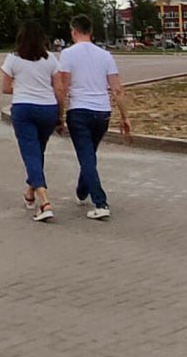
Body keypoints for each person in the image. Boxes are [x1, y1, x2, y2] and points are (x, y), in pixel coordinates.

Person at [57, 14, 132, 220]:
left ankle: (100, 202)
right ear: (91, 31)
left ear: (73, 31)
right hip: (102, 111)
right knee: (89, 154)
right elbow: (117, 89)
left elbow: (63, 88)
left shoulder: (67, 54)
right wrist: (125, 116)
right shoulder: (105, 55)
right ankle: (82, 190)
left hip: (79, 110)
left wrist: (60, 116)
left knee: (86, 156)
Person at [1, 21, 62, 222]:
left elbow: (6, 88)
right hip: (47, 109)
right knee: (37, 152)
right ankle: (30, 192)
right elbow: (59, 89)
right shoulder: (51, 59)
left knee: (30, 153)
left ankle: (44, 201)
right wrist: (60, 115)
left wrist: (22, 86)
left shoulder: (13, 59)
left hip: (24, 109)